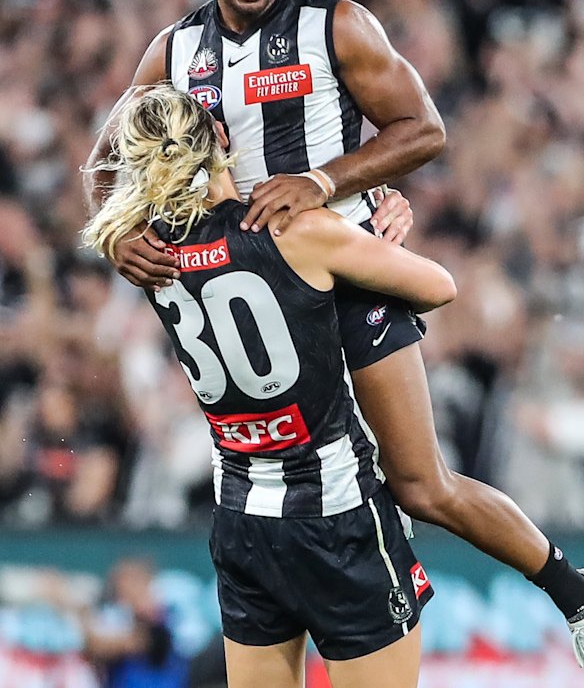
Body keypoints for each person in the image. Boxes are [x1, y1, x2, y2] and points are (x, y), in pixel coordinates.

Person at [83, 0, 584, 663]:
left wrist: (323, 181)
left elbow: (423, 129)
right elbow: (105, 160)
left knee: (421, 483)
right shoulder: (174, 51)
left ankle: (574, 595)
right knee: (274, 484)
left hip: (341, 269)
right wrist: (114, 235)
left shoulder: (335, 25)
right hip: (240, 275)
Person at [82, 83, 460, 688]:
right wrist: (380, 225)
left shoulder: (147, 259)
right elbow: (439, 287)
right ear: (222, 140)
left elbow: (119, 221)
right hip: (335, 510)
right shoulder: (296, 231)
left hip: (240, 516)